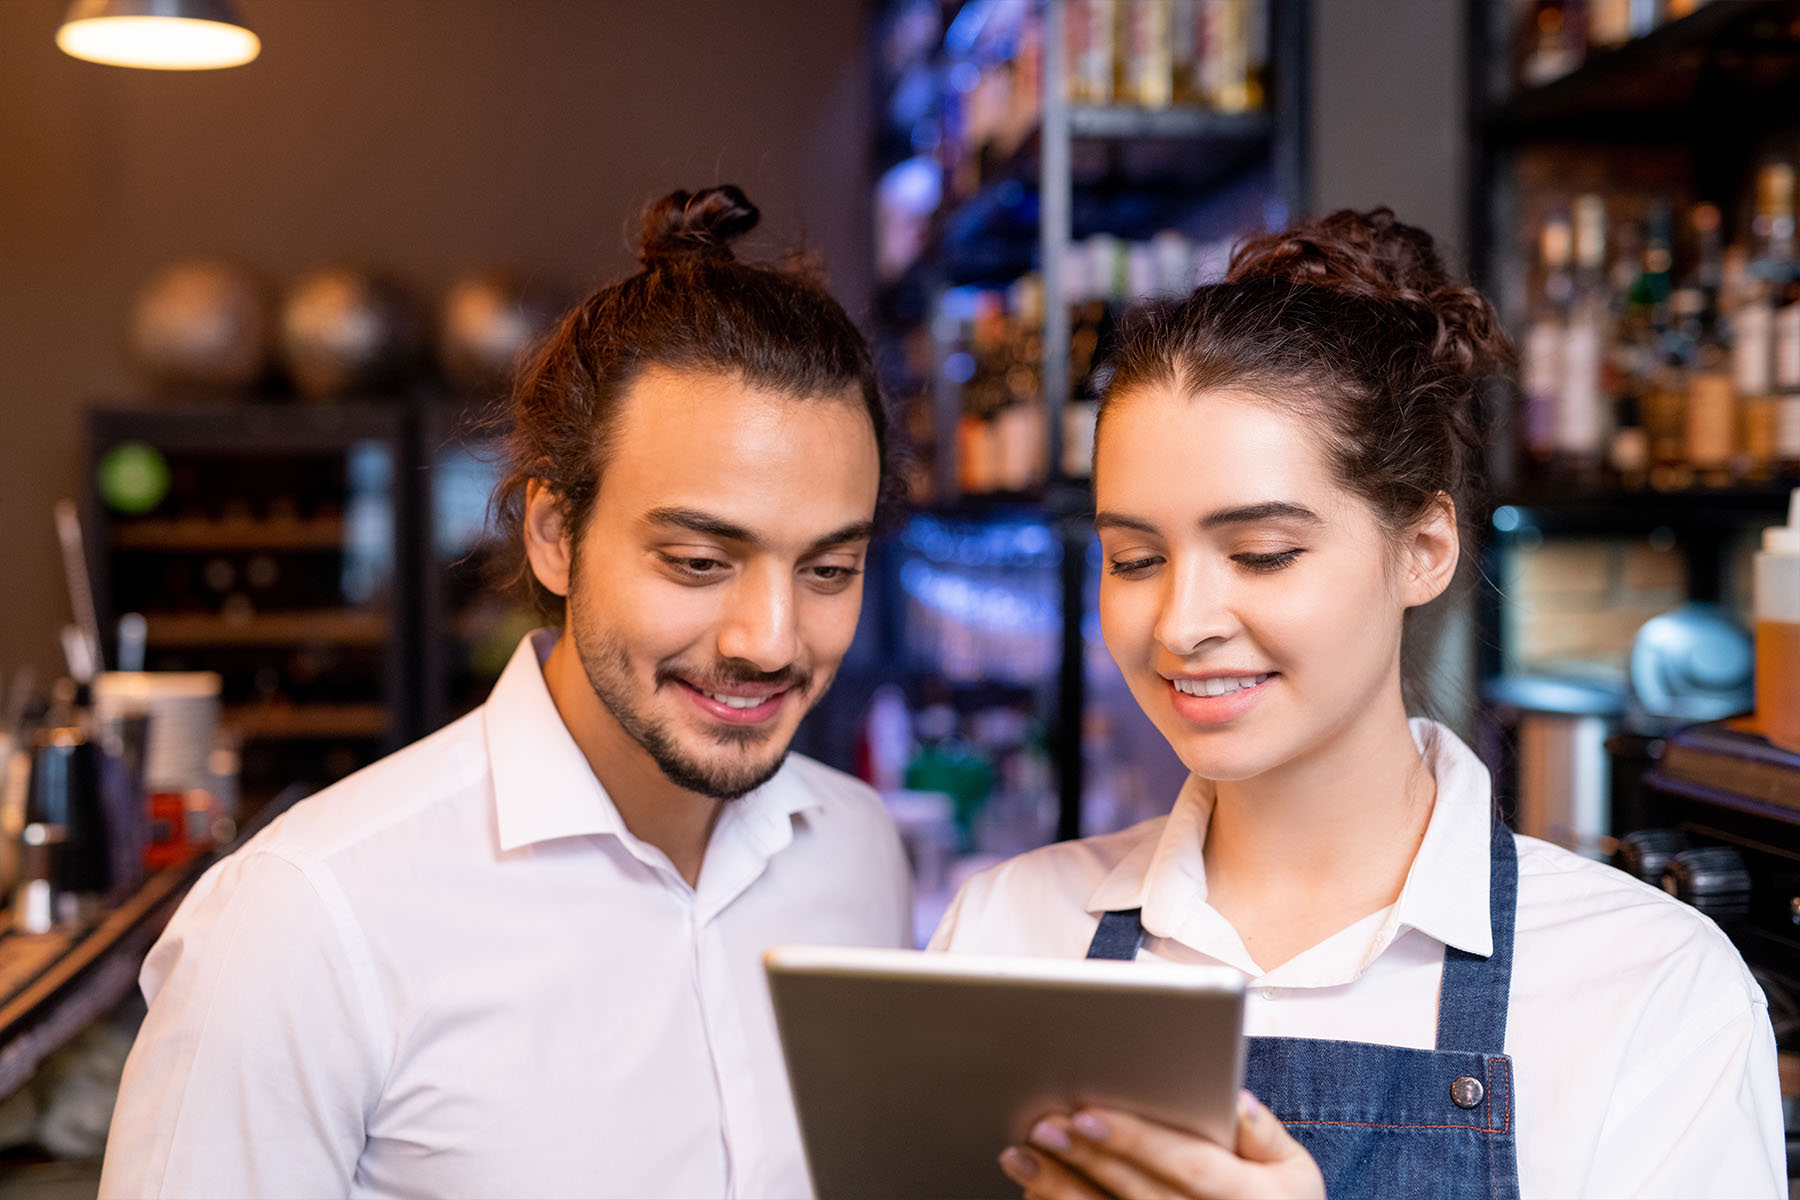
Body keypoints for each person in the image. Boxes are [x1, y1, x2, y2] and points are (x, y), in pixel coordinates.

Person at [930, 209, 1784, 1198]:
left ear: (1422, 550)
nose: (1181, 624)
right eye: (1136, 559)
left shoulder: (1645, 984)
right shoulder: (1006, 936)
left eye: (1262, 553)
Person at [99, 185, 913, 1199]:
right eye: (700, 561)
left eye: (829, 570)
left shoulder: (861, 851)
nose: (770, 640)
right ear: (553, 534)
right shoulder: (302, 920)